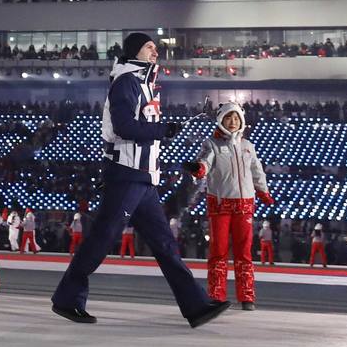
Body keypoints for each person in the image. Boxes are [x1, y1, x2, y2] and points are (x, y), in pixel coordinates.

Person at [51, 32, 228, 328]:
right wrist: (162, 131)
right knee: (102, 238)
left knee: (164, 244)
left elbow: (140, 126)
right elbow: (123, 127)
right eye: (150, 47)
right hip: (126, 176)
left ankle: (196, 306)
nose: (155, 52)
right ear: (135, 51)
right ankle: (67, 299)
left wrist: (162, 129)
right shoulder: (127, 82)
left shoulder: (144, 84)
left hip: (142, 178)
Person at [184, 102, 272, 310]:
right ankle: (216, 296)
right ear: (221, 120)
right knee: (218, 251)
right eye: (228, 118)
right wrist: (198, 169)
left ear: (241, 120)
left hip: (244, 205)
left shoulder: (248, 146)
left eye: (235, 118)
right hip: (220, 204)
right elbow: (205, 162)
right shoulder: (212, 144)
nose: (232, 122)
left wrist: (263, 191)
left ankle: (247, 296)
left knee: (244, 252)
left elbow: (257, 171)